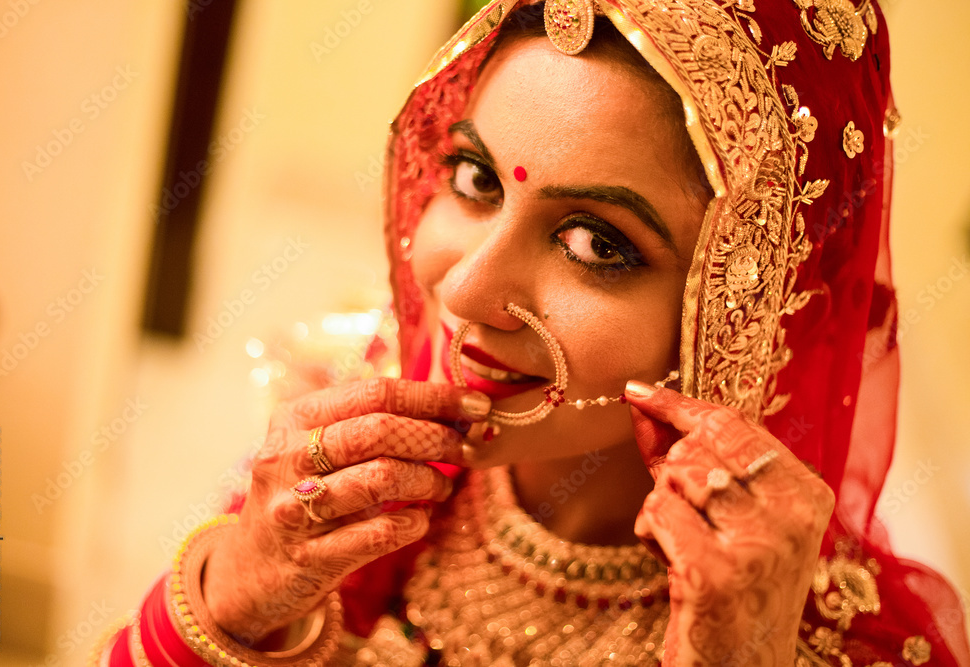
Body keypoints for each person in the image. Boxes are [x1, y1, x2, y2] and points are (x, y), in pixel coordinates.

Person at [90, 1, 970, 665]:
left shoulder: (821, 636)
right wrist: (235, 592)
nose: (467, 290)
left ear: (757, 308)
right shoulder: (353, 465)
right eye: (475, 176)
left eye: (596, 243)